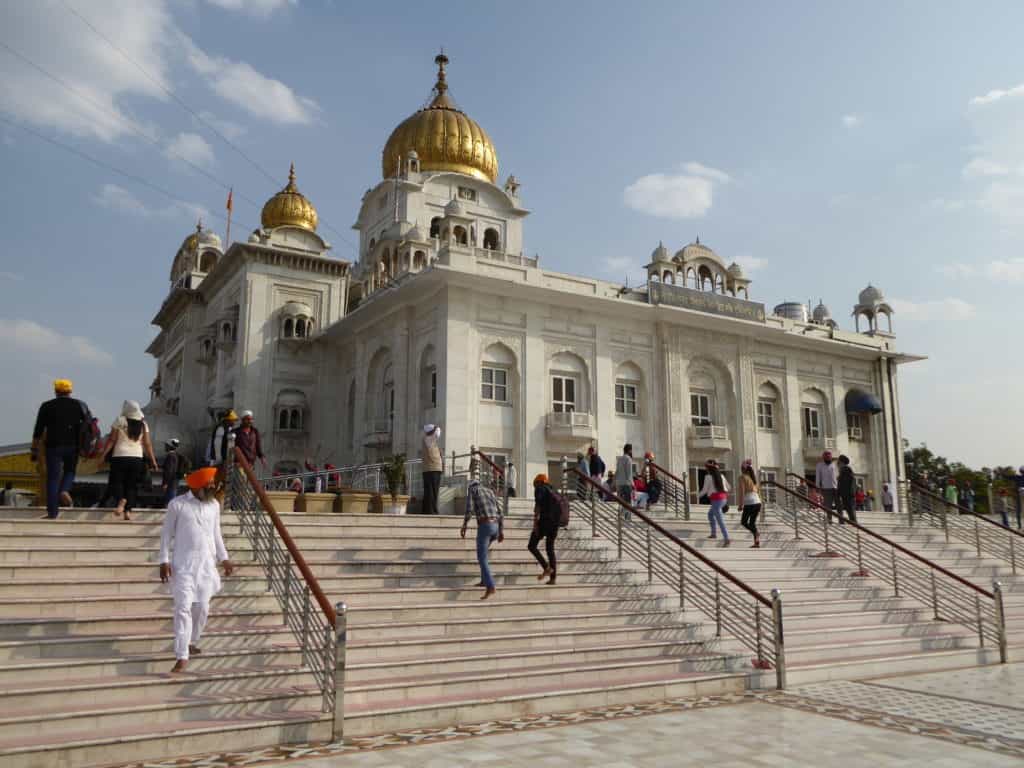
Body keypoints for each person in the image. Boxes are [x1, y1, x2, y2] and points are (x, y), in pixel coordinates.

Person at [159, 467, 235, 673]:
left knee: (202, 608)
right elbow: (166, 535)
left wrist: (224, 558)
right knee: (183, 608)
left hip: (207, 566)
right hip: (183, 566)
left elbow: (216, 534)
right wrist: (163, 560)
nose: (212, 487)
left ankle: (192, 641)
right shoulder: (177, 505)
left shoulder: (214, 506)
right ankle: (181, 655)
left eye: (213, 483)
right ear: (197, 485)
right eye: (209, 483)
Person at [31, 379, 91, 519]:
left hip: (53, 446)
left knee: (52, 478)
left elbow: (38, 430)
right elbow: (89, 426)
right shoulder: (79, 405)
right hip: (73, 446)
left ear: (55, 391)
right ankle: (64, 490)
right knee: (70, 471)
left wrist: (34, 449)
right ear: (70, 391)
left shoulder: (46, 406)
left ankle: (52, 513)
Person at [106, 400, 159, 521]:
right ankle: (128, 511)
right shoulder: (143, 424)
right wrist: (153, 461)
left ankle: (121, 500)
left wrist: (103, 454)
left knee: (117, 482)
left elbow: (112, 440)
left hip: (119, 456)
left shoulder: (120, 420)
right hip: (137, 458)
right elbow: (147, 444)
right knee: (131, 486)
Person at [460, 478, 503, 599]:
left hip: (485, 526)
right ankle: (484, 580)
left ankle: (490, 586)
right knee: (483, 554)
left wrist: (464, 525)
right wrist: (501, 531)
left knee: (482, 557)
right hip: (495, 526)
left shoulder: (473, 491)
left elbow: (469, 510)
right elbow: (500, 511)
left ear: (470, 486)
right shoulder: (489, 491)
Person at [529, 474, 560, 585]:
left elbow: (538, 506)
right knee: (550, 549)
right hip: (555, 524)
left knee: (531, 545)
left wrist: (535, 524)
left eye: (535, 485)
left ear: (538, 482)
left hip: (545, 522)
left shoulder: (540, 488)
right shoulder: (553, 490)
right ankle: (553, 578)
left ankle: (546, 567)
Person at [700, 460, 730, 545]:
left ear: (708, 468)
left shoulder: (708, 477)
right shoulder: (721, 476)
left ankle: (726, 538)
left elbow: (704, 490)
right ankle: (713, 534)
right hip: (723, 499)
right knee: (710, 514)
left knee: (720, 520)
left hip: (716, 500)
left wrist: (696, 496)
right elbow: (729, 487)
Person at [738, 460, 762, 548]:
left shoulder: (742, 477)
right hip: (757, 502)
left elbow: (742, 492)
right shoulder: (754, 479)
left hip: (750, 502)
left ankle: (756, 533)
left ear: (743, 470)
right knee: (752, 523)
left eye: (741, 468)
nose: (740, 470)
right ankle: (757, 542)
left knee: (744, 522)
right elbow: (758, 492)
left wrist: (740, 505)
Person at [421, 424, 443, 515]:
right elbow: (438, 431)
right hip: (432, 468)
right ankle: (431, 510)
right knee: (432, 491)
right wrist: (436, 427)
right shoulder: (429, 439)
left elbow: (437, 432)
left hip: (431, 468)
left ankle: (428, 509)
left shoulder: (429, 440)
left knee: (430, 491)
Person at [615, 444, 636, 521]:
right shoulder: (628, 459)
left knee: (621, 501)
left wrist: (614, 483)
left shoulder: (619, 459)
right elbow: (629, 473)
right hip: (626, 484)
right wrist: (633, 484)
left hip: (619, 484)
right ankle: (627, 517)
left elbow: (617, 472)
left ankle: (621, 515)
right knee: (628, 502)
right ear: (629, 450)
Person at [815, 451, 838, 518]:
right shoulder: (819, 465)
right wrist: (817, 487)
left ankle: (841, 521)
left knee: (839, 505)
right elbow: (818, 477)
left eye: (829, 456)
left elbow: (837, 476)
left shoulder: (834, 465)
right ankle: (829, 520)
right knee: (828, 505)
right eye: (826, 456)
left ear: (831, 457)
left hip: (836, 488)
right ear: (823, 457)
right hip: (826, 488)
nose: (828, 458)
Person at [836, 455, 857, 524]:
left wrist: (851, 493)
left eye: (838, 462)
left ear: (842, 462)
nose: (837, 463)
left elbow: (851, 482)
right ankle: (853, 523)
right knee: (849, 510)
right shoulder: (842, 470)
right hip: (845, 495)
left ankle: (854, 524)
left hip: (849, 495)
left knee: (851, 510)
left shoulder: (847, 469)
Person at [162, 439, 181, 508]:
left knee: (170, 503)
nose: (165, 447)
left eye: (166, 445)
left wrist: (165, 483)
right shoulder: (176, 455)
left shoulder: (170, 456)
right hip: (175, 482)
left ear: (169, 446)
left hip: (170, 483)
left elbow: (169, 471)